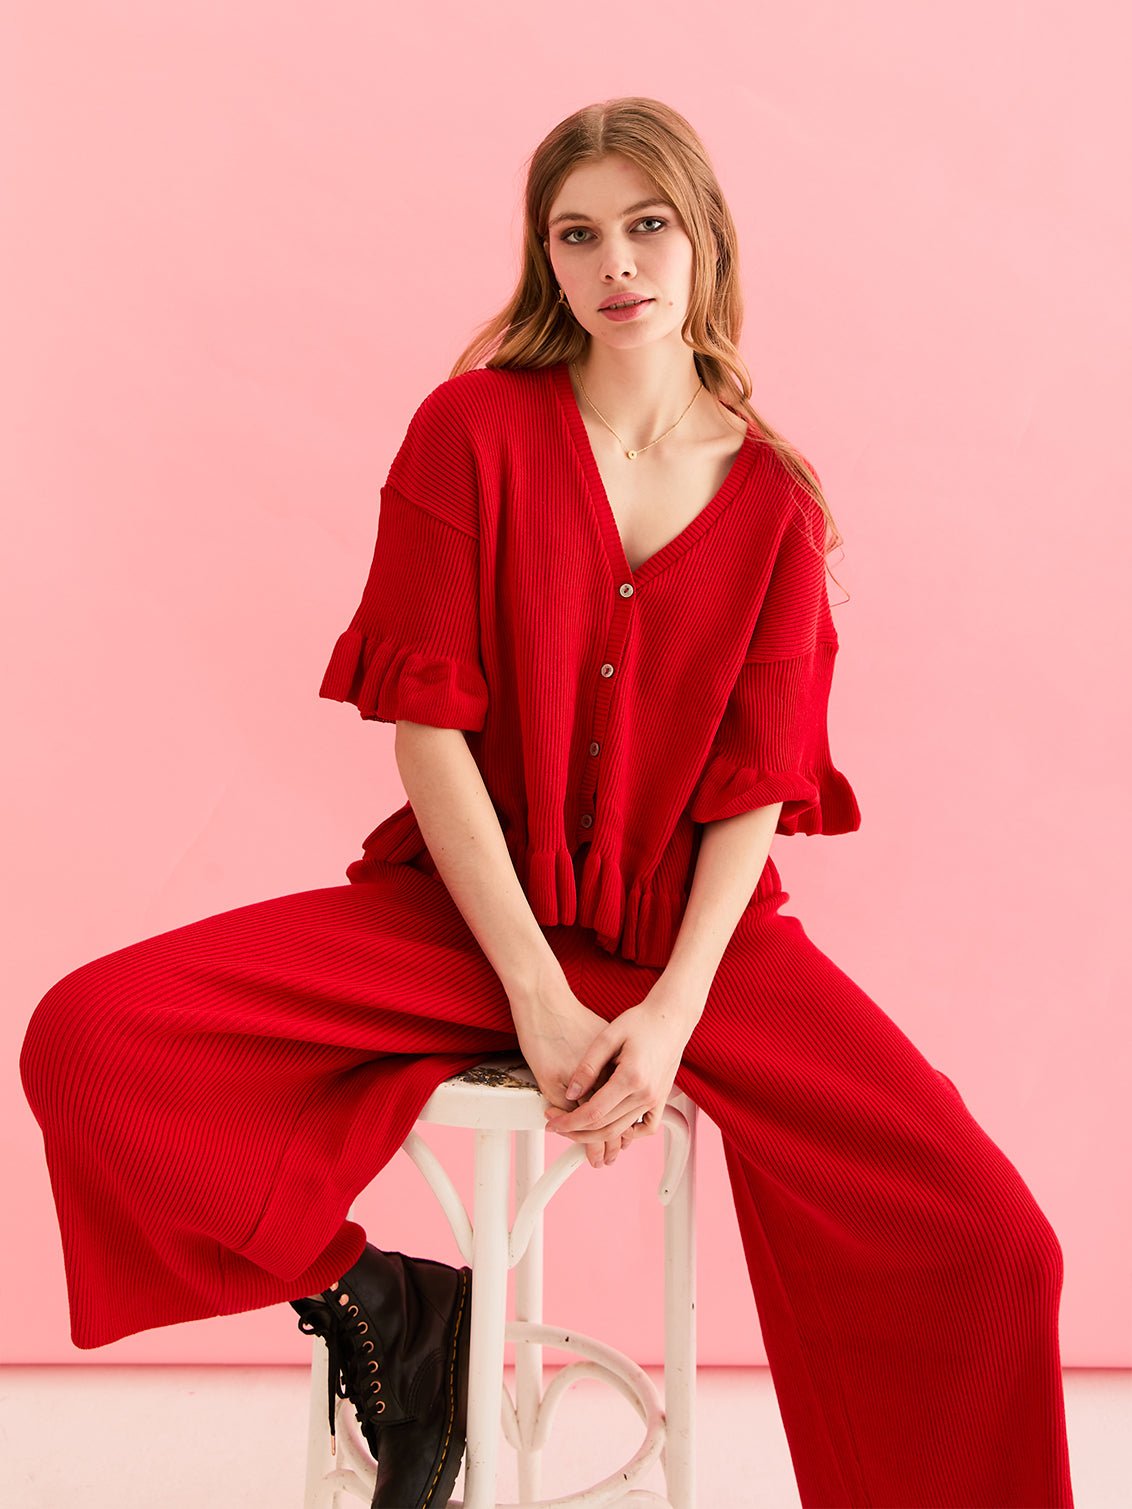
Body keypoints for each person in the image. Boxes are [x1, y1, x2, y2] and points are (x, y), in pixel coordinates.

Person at [18, 97, 1075, 1509]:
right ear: (545, 257)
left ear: (705, 238)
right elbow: (430, 730)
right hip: (472, 910)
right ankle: (390, 1305)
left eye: (649, 225)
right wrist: (537, 992)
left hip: (698, 942)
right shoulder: (472, 431)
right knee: (92, 1036)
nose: (615, 263)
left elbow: (757, 786)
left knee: (992, 1240)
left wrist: (673, 1012)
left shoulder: (773, 501)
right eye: (577, 235)